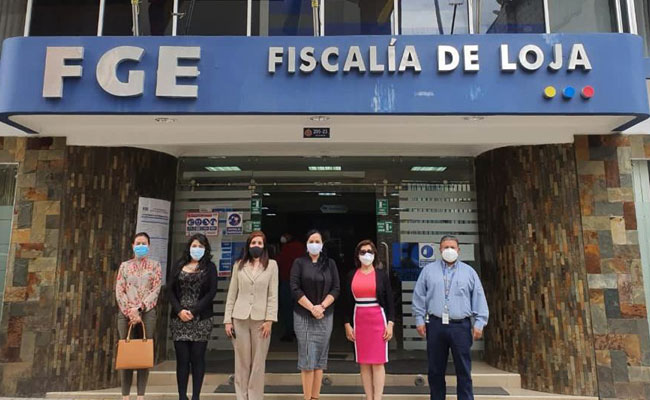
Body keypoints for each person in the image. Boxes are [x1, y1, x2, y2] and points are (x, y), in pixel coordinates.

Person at [412, 235, 489, 400]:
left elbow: (478, 297)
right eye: (445, 247)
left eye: (452, 247)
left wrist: (479, 322)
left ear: (458, 250)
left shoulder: (469, 272)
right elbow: (419, 296)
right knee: (435, 370)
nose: (449, 250)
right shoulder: (428, 271)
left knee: (464, 369)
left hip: (460, 326)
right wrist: (419, 319)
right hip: (435, 325)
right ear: (440, 250)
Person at [224, 231, 279, 400]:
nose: (256, 246)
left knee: (258, 362)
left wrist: (270, 320)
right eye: (253, 243)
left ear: (264, 246)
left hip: (261, 320)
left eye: (260, 243)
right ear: (248, 245)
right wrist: (227, 320)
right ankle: (241, 396)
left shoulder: (272, 265)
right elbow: (232, 293)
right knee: (241, 361)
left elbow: (273, 295)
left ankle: (255, 396)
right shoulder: (239, 265)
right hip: (239, 318)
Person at [290, 229, 340, 400]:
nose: (314, 244)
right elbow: (294, 288)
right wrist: (312, 308)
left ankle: (315, 397)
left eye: (317, 241)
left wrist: (322, 306)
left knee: (320, 358)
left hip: (325, 316)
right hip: (303, 315)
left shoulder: (330, 264)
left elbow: (336, 288)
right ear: (306, 244)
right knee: (307, 357)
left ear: (322, 244)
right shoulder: (299, 263)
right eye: (311, 241)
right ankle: (307, 397)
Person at [168, 233, 218, 400]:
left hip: (201, 319)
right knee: (182, 359)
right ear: (189, 247)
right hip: (179, 319)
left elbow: (211, 292)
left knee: (197, 358)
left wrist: (194, 311)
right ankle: (182, 396)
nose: (197, 249)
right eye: (194, 246)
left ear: (206, 249)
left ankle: (196, 396)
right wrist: (179, 310)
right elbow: (170, 290)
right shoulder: (178, 265)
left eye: (200, 246)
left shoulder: (210, 267)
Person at [343, 240, 395, 400]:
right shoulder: (351, 275)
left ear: (375, 254)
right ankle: (369, 397)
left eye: (370, 251)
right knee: (364, 362)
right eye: (363, 252)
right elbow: (346, 302)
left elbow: (390, 301)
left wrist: (390, 324)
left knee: (378, 362)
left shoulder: (381, 275)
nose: (366, 255)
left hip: (378, 319)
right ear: (357, 255)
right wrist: (347, 324)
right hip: (359, 320)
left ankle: (377, 398)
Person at [115, 232, 162, 400]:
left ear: (149, 246)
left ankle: (141, 395)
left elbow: (155, 290)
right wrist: (130, 311)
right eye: (138, 243)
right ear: (133, 246)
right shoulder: (124, 266)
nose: (141, 246)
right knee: (126, 353)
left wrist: (140, 308)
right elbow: (119, 290)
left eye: (144, 243)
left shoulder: (155, 266)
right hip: (126, 313)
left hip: (147, 313)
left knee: (143, 353)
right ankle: (125, 396)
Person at [276, 233, 305, 341]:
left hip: (287, 281)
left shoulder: (286, 248)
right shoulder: (301, 247)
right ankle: (300, 332)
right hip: (300, 282)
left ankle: (290, 331)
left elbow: (280, 262)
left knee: (288, 308)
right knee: (301, 308)